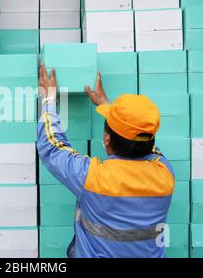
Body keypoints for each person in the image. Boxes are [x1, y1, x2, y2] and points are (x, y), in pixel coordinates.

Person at [37, 64, 175, 258]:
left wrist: (49, 99)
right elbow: (144, 141)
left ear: (107, 140)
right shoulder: (165, 174)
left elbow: (53, 148)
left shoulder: (94, 178)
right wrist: (113, 112)